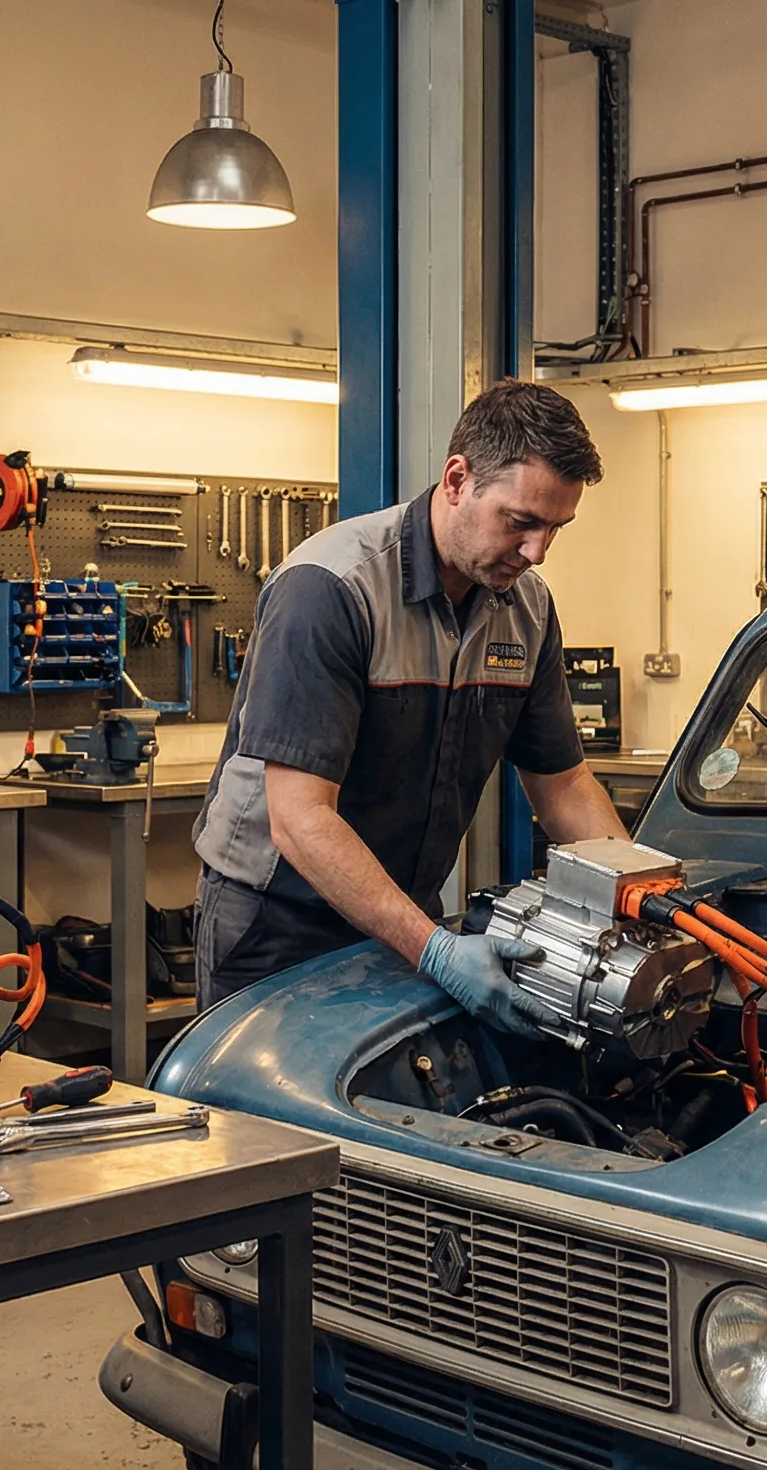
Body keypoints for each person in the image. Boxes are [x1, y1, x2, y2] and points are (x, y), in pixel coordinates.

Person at [190, 379, 631, 1032]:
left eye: (554, 528)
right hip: (278, 922)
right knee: (271, 1131)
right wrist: (435, 950)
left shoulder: (527, 608)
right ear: (457, 480)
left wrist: (645, 897)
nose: (537, 552)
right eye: (521, 522)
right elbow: (300, 819)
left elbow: (562, 783)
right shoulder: (331, 590)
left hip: (400, 915)